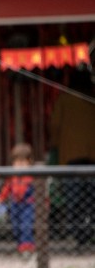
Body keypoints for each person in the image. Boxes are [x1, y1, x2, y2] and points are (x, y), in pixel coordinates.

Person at [49, 68, 95, 245]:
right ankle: (89, 232)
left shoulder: (64, 100)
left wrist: (54, 148)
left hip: (71, 157)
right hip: (92, 158)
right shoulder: (92, 100)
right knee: (91, 199)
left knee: (74, 199)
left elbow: (54, 127)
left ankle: (78, 235)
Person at [0, 143, 35, 253]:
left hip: (28, 204)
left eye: (22, 162)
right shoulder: (12, 177)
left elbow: (39, 192)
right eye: (17, 162)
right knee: (16, 226)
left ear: (29, 162)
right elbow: (6, 189)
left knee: (26, 225)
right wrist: (0, 199)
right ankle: (20, 244)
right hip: (15, 204)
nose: (19, 165)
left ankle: (27, 247)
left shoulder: (32, 177)